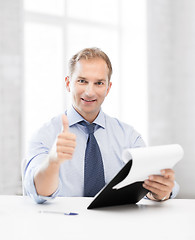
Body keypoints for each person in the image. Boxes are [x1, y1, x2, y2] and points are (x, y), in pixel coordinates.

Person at [23, 47, 179, 203]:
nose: (90, 92)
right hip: (65, 224)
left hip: (115, 224)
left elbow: (148, 183)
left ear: (108, 88)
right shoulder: (44, 135)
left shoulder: (129, 136)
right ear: (68, 83)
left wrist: (160, 192)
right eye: (82, 81)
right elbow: (39, 192)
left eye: (99, 83)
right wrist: (53, 162)